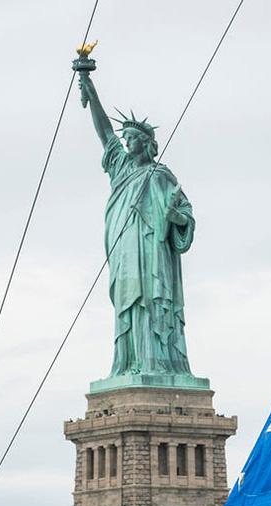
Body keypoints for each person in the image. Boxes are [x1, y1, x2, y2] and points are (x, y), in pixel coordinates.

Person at [77, 71, 195, 378]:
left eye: (132, 139)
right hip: (125, 248)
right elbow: (105, 133)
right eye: (126, 139)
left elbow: (185, 216)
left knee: (152, 302)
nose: (127, 143)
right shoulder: (121, 167)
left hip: (153, 251)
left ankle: (159, 363)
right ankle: (128, 363)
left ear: (146, 143)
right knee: (129, 305)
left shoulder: (161, 176)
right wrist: (91, 91)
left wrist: (175, 218)